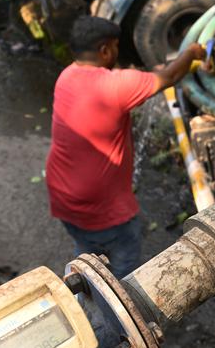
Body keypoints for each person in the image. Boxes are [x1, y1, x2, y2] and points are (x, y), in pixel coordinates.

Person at [45, 15, 205, 278]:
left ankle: (85, 285)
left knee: (87, 253)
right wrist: (191, 52)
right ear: (105, 50)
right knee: (124, 268)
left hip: (62, 195)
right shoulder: (116, 85)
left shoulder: (66, 77)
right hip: (102, 209)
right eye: (116, 47)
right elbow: (172, 75)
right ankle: (116, 310)